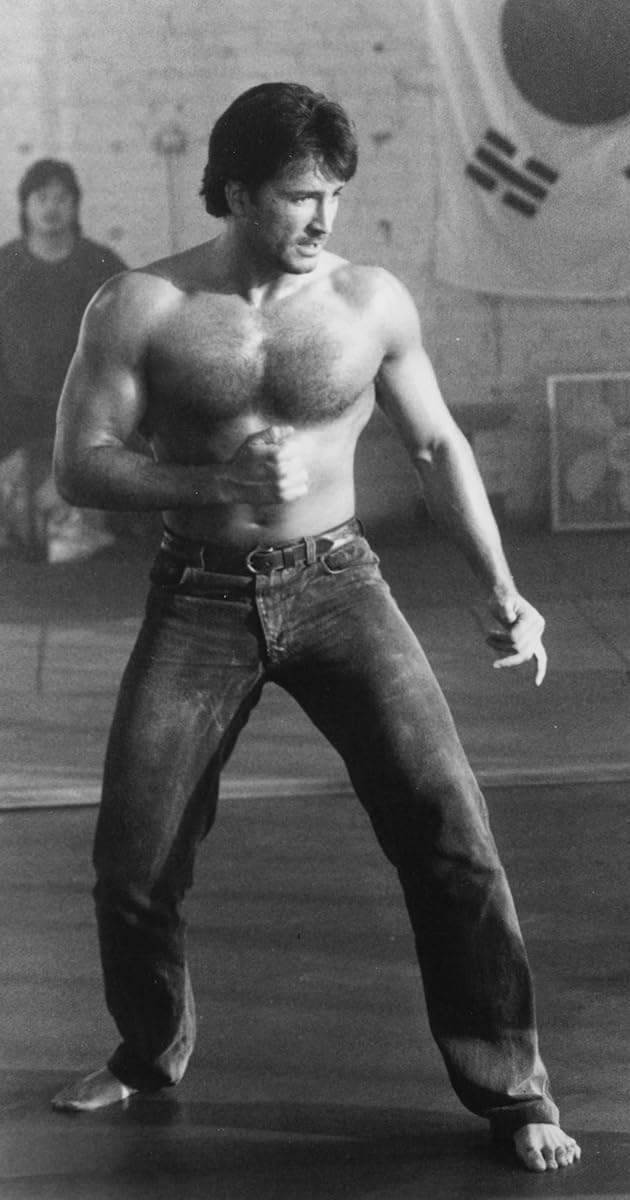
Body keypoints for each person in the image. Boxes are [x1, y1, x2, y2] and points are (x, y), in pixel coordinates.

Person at [50, 83, 580, 1173]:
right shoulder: (141, 306)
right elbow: (80, 467)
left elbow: (436, 447)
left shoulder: (368, 302)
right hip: (198, 594)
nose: (324, 217)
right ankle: (148, 1052)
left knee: (452, 831)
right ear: (238, 191)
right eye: (300, 196)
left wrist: (502, 586)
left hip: (339, 585)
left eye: (336, 193)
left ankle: (514, 1089)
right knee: (134, 861)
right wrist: (216, 478)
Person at [0, 158, 126, 560]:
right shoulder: (5, 266)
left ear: (76, 205)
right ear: (25, 205)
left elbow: (125, 344)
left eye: (61, 198)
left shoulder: (101, 263)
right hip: (13, 406)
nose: (51, 208)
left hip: (84, 404)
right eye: (41, 198)